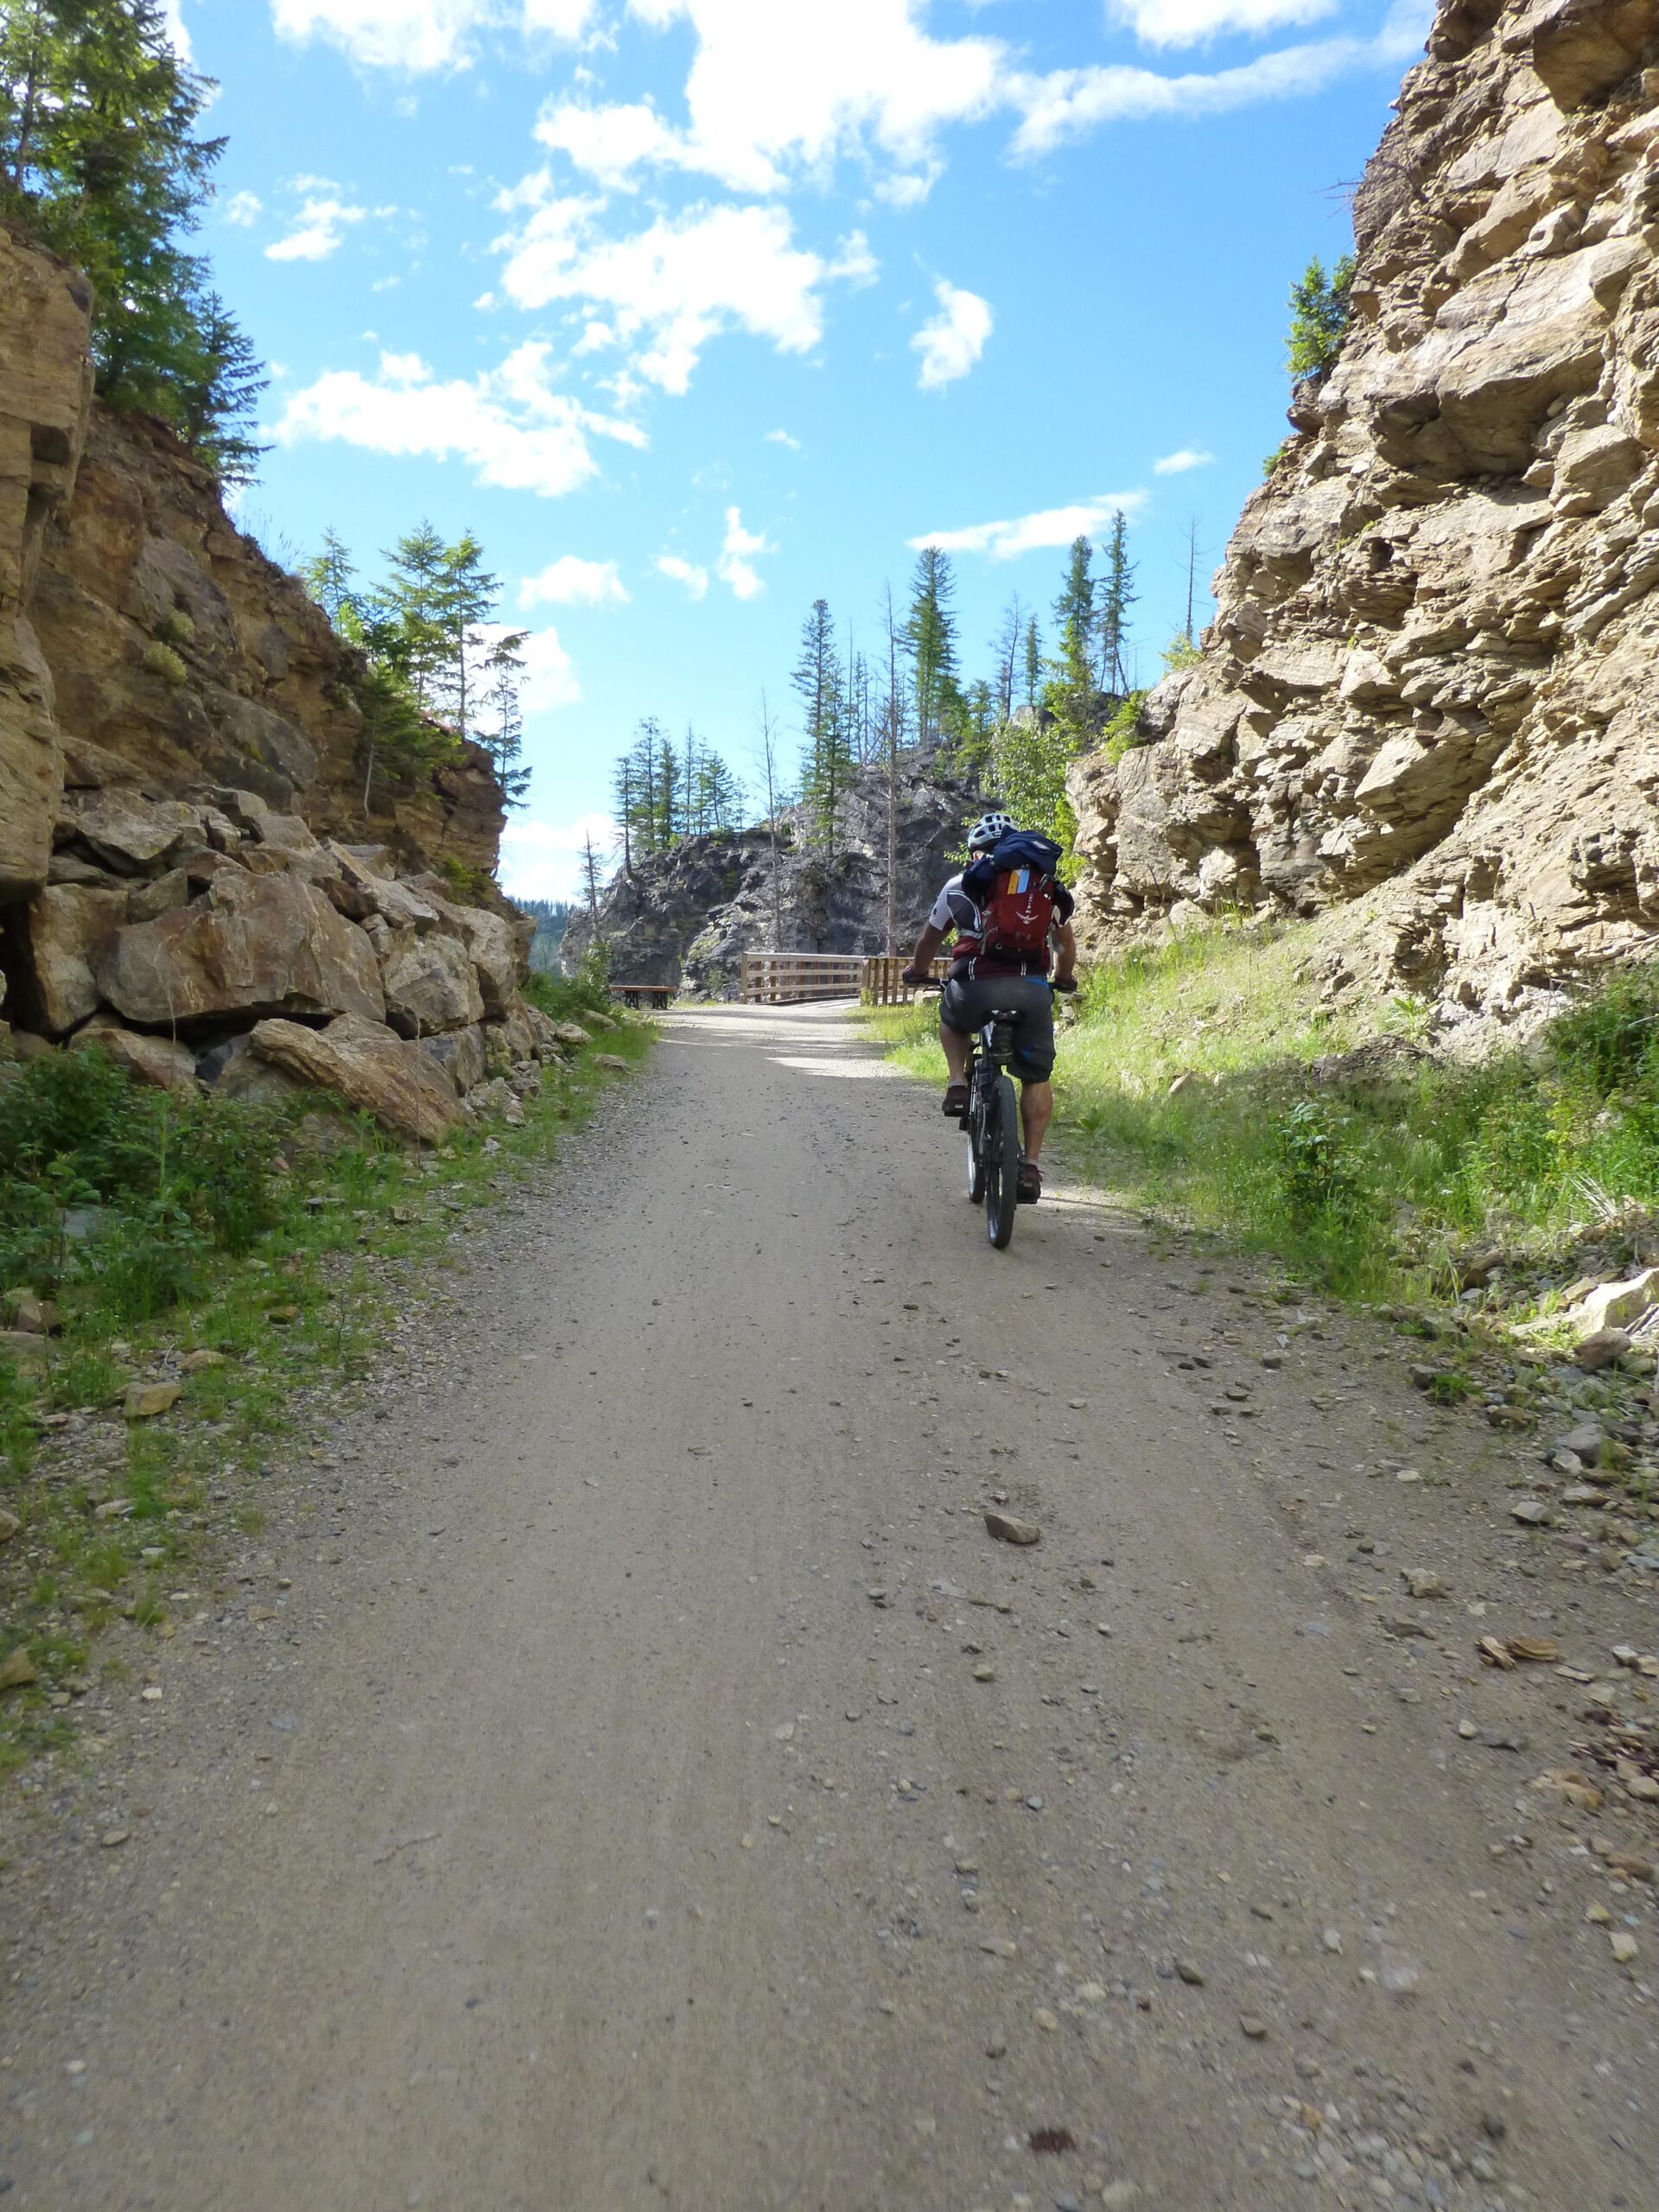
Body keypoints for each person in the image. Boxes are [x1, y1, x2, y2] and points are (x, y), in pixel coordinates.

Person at [900, 811, 1077, 1203]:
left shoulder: (958, 886)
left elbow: (930, 941)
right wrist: (1063, 979)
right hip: (1031, 991)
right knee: (1036, 1076)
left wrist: (917, 971)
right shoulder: (1046, 886)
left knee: (951, 1018)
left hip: (974, 987)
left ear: (976, 853)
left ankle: (958, 1085)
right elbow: (1065, 945)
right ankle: (1029, 1166)